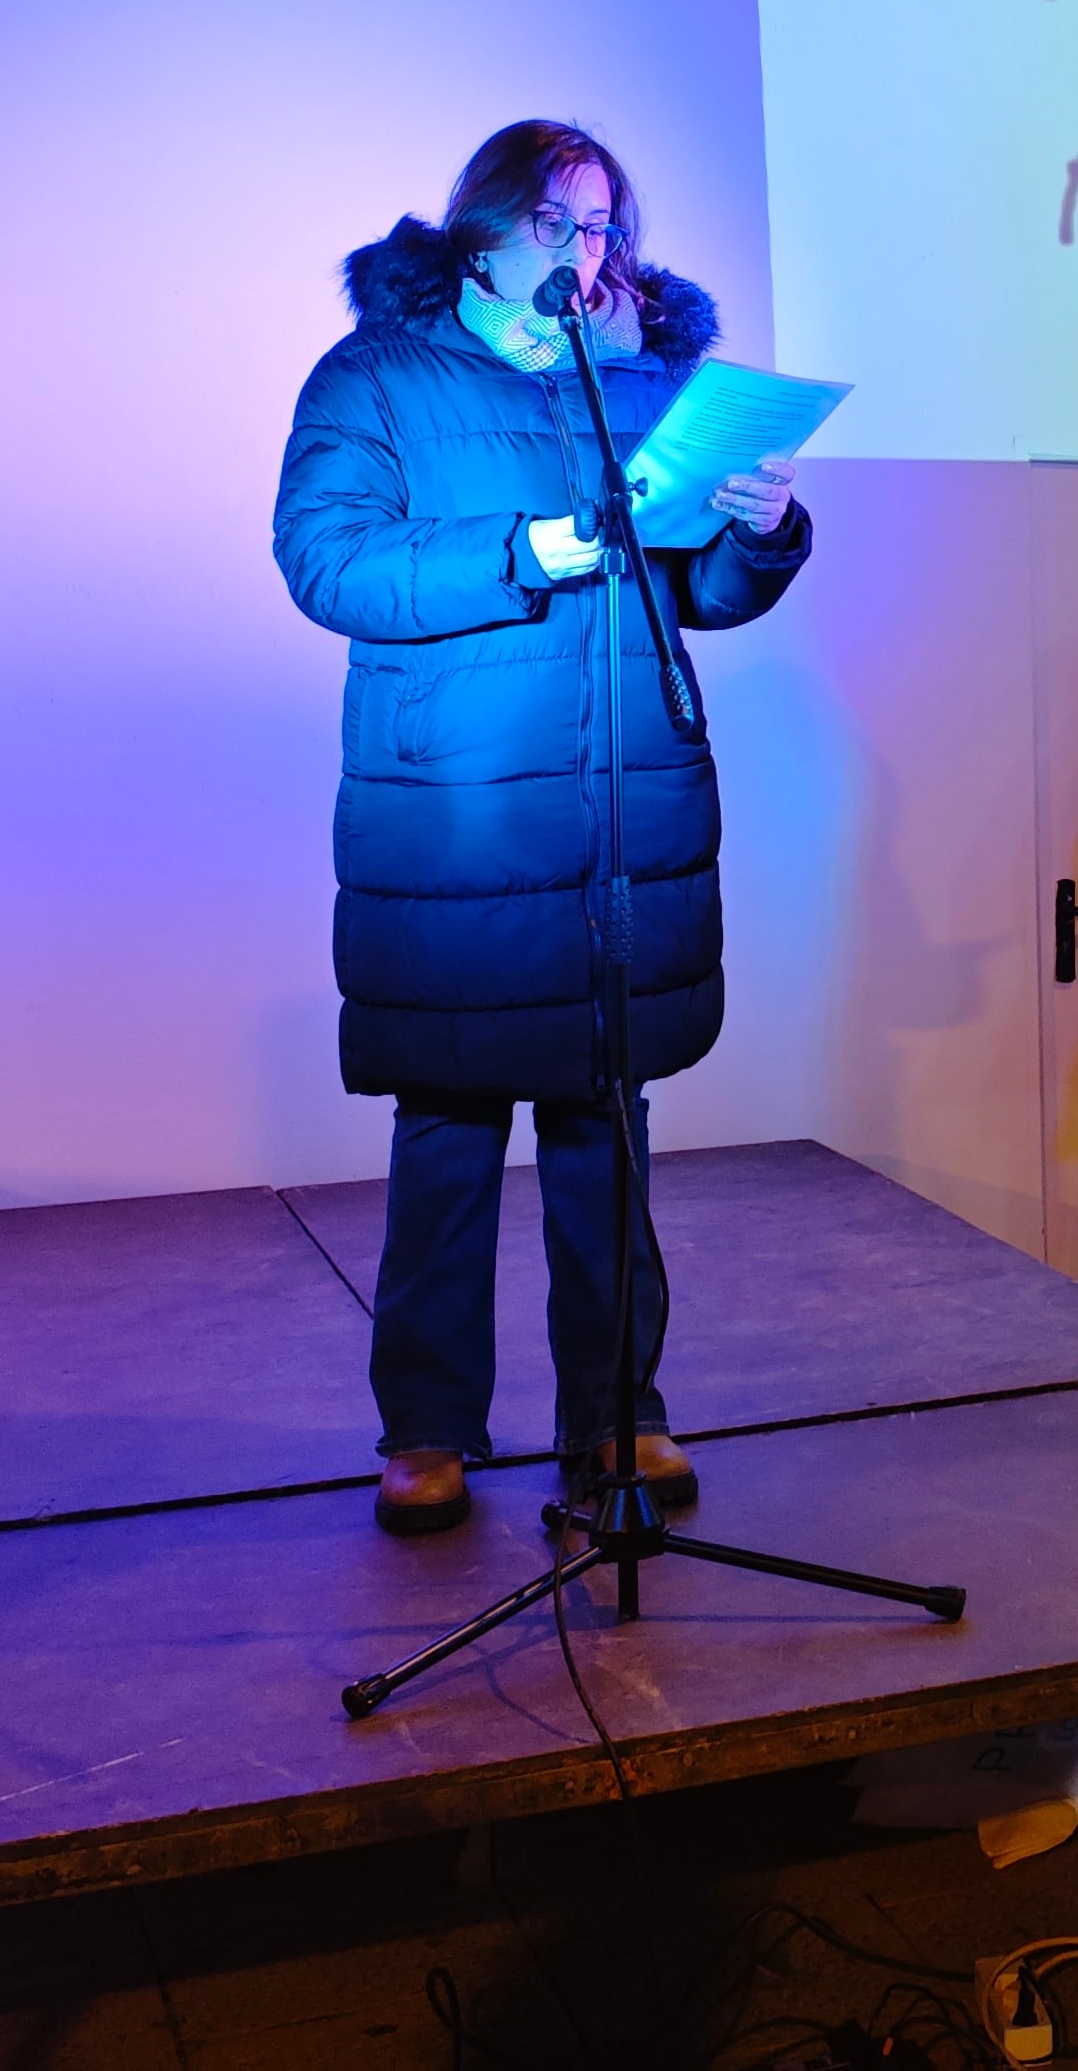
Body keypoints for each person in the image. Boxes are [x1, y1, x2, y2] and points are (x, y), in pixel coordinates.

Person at [273, 120, 811, 1536]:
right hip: (458, 818)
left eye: (606, 224)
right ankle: (427, 1429)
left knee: (605, 1127)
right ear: (487, 228)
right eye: (562, 223)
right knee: (450, 1131)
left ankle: (619, 1414)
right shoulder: (379, 374)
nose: (591, 249)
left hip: (620, 802)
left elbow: (694, 593)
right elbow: (326, 560)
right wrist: (529, 551)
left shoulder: (637, 379)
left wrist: (756, 530)